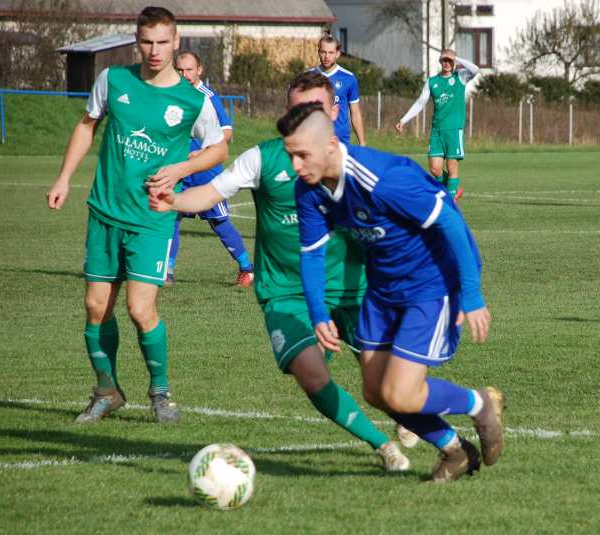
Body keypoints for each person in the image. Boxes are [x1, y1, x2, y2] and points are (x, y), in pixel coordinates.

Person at [147, 71, 410, 472]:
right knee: (311, 373)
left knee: (385, 382)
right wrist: (176, 201)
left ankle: (426, 423)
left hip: (353, 285)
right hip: (284, 291)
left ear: (334, 113)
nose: (304, 120)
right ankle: (383, 447)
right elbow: (214, 191)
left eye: (315, 111)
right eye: (296, 111)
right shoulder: (265, 158)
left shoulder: (356, 163)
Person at [279, 103, 505, 483]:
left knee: (401, 393)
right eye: (291, 156)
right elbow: (313, 254)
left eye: (303, 155)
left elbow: (449, 220)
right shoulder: (308, 190)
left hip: (430, 287)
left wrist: (471, 293)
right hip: (383, 290)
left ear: (331, 144)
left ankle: (480, 403)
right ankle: (454, 450)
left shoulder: (381, 178)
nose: (297, 166)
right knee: (375, 391)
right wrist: (319, 314)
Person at [45, 7, 228, 424]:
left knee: (140, 309)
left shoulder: (192, 99)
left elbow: (218, 149)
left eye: (163, 42)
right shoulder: (113, 80)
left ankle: (160, 394)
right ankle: (106, 390)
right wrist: (63, 178)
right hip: (105, 211)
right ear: (136, 40)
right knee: (95, 308)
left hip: (152, 217)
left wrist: (182, 168)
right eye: (147, 42)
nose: (154, 51)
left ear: (176, 41)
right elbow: (87, 125)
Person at [169, 51, 253, 287]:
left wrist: (203, 152)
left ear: (199, 71)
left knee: (218, 221)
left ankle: (247, 268)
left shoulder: (207, 96)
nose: (184, 75)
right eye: (180, 70)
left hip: (206, 171)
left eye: (189, 70)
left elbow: (227, 132)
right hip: (180, 169)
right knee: (171, 216)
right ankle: (167, 271)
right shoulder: (172, 94)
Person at [395, 49, 479, 201]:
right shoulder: (432, 81)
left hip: (454, 130)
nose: (447, 63)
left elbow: (476, 69)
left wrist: (457, 57)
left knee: (452, 166)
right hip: (437, 130)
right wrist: (403, 120)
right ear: (440, 62)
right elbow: (420, 102)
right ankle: (454, 188)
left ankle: (450, 201)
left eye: (450, 60)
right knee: (435, 168)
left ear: (454, 63)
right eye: (444, 60)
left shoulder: (460, 77)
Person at [311, 35, 366, 146]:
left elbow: (355, 113)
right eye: (323, 52)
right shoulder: (308, 77)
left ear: (338, 54)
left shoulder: (349, 78)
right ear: (318, 52)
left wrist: (362, 142)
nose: (326, 56)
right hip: (315, 138)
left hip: (341, 140)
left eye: (331, 53)